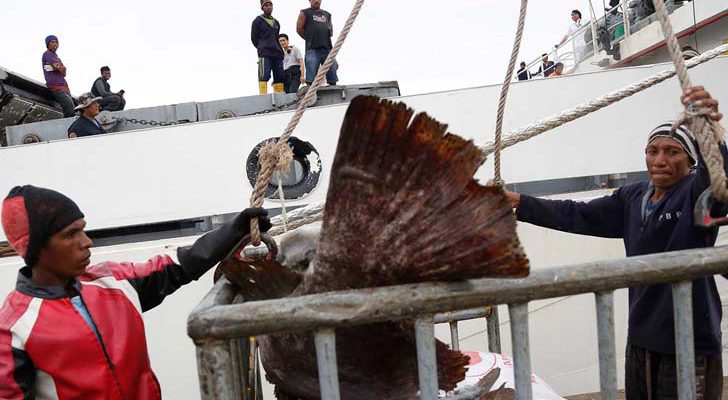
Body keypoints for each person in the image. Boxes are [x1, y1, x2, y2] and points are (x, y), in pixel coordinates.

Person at [505, 87, 725, 399]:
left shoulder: (694, 193)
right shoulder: (632, 197)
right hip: (641, 338)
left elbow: (717, 178)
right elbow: (577, 215)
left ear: (690, 160)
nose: (660, 160)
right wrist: (519, 202)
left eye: (672, 152)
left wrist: (710, 130)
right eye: (653, 151)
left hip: (689, 342)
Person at [0, 185, 271, 398]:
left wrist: (235, 229)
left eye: (83, 230)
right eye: (71, 234)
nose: (87, 242)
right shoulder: (13, 330)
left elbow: (180, 265)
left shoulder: (112, 282)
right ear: (37, 249)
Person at [297, 0, 338, 86]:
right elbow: (299, 29)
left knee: (332, 66)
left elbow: (330, 30)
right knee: (311, 66)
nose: (316, 1)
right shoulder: (304, 12)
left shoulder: (327, 14)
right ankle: (310, 88)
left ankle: (332, 85)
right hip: (312, 48)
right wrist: (309, 38)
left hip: (327, 47)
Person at [251, 0, 285, 94]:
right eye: (266, 5)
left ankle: (279, 96)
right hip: (265, 53)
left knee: (279, 75)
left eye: (270, 5)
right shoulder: (257, 21)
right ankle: (263, 96)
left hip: (277, 53)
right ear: (262, 7)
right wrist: (262, 47)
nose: (269, 7)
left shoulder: (276, 22)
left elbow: (276, 37)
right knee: (264, 75)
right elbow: (254, 38)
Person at [42, 35, 75, 118]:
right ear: (48, 44)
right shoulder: (47, 54)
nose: (55, 44)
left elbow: (64, 72)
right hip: (56, 87)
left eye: (56, 42)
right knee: (69, 107)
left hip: (64, 86)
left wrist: (56, 67)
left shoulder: (57, 57)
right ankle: (70, 128)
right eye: (52, 42)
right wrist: (57, 67)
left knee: (71, 108)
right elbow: (58, 66)